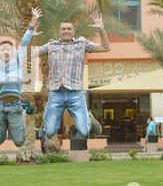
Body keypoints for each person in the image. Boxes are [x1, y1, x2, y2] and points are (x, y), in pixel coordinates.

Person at [0, 7, 43, 147]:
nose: (5, 52)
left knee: (19, 141)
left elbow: (25, 41)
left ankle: (11, 124)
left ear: (13, 51)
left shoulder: (18, 58)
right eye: (2, 49)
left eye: (8, 49)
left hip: (15, 107)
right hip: (0, 106)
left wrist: (33, 19)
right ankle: (1, 125)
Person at [40, 13, 111, 141]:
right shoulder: (51, 45)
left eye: (69, 29)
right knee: (49, 133)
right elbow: (30, 53)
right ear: (59, 31)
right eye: (63, 29)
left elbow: (106, 48)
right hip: (56, 93)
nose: (66, 31)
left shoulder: (81, 43)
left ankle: (88, 118)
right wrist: (29, 34)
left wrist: (101, 29)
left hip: (76, 93)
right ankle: (47, 121)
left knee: (84, 131)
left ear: (73, 31)